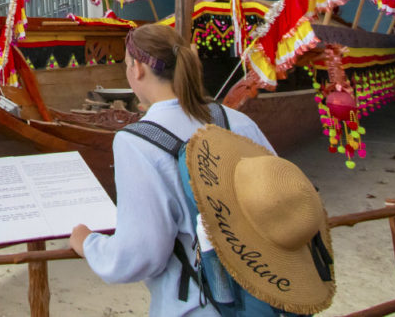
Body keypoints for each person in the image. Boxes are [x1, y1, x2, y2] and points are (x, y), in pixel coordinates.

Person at [70, 23, 272, 316]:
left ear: (137, 69)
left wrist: (87, 242)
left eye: (127, 64)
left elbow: (139, 256)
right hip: (267, 296)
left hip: (199, 306)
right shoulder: (235, 121)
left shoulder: (136, 142)